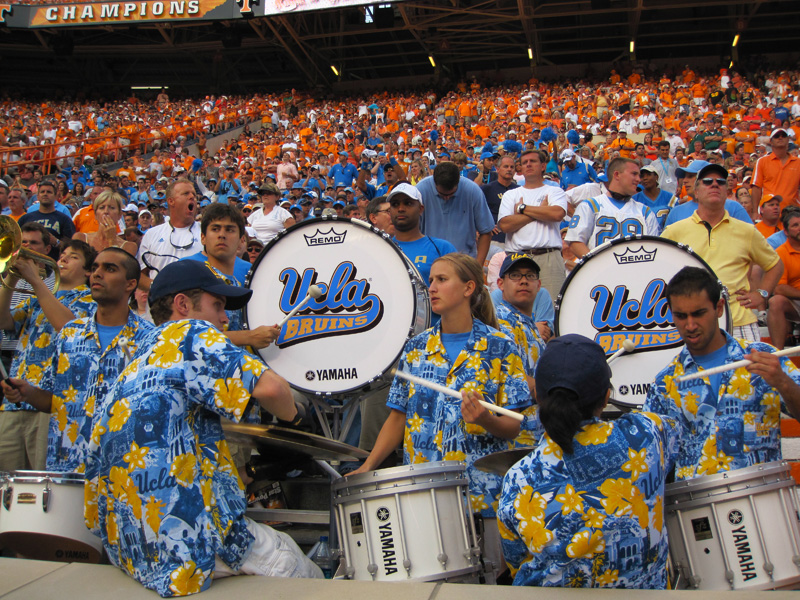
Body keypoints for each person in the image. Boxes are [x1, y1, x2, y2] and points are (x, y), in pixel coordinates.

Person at [84, 260, 322, 596]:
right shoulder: (189, 333)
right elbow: (272, 389)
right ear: (182, 305)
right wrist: (296, 419)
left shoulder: (135, 362)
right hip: (193, 540)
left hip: (133, 548)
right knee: (299, 568)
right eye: (218, 305)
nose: (225, 319)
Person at [350, 254, 532, 524]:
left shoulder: (501, 346)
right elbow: (398, 417)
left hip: (481, 499)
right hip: (423, 493)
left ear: (468, 288)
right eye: (431, 280)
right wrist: (368, 466)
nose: (431, 288)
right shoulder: (415, 348)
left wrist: (485, 419)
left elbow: (514, 425)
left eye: (442, 280)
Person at [499, 334, 679, 588]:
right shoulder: (647, 434)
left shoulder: (518, 478)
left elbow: (517, 563)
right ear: (606, 397)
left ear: (538, 396)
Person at [1, 248, 152, 472]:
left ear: (131, 284)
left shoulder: (148, 338)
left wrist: (35, 280)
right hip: (65, 458)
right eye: (95, 268)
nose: (98, 274)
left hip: (121, 462)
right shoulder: (71, 335)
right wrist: (29, 393)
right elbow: (55, 399)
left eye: (109, 269)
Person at [643, 267, 800, 481]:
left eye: (698, 313)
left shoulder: (765, 356)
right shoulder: (664, 383)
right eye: (681, 316)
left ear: (719, 308)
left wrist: (783, 382)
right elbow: (653, 461)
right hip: (697, 506)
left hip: (765, 499)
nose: (690, 325)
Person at [0, 237, 96, 472]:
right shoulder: (36, 299)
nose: (63, 258)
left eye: (73, 257)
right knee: (7, 487)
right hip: (13, 402)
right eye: (63, 254)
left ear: (87, 272)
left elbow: (69, 329)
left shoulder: (90, 301)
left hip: (49, 403)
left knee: (42, 483)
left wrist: (35, 280)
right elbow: (3, 320)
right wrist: (12, 275)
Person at [661, 162, 782, 341]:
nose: (715, 184)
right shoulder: (674, 231)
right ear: (696, 191)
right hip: (693, 324)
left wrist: (762, 294)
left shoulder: (746, 231)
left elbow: (775, 265)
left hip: (740, 321)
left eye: (721, 182)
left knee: (749, 370)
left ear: (727, 192)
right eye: (707, 181)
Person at [498, 149, 568, 299]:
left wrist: (523, 209)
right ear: (521, 168)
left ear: (543, 166)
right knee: (516, 312)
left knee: (551, 311)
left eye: (533, 161)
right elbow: (505, 225)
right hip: (517, 257)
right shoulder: (511, 194)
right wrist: (542, 211)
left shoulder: (554, 191)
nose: (528, 165)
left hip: (548, 257)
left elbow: (557, 214)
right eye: (524, 163)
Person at [565, 158, 659, 258]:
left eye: (638, 175)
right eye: (634, 174)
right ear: (617, 175)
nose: (638, 179)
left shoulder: (645, 212)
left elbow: (654, 249)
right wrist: (601, 268)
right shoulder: (589, 206)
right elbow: (575, 242)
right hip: (601, 271)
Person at [416, 162, 495, 265]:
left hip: (463, 263)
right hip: (429, 262)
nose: (447, 197)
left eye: (451, 194)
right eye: (442, 194)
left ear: (458, 182)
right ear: (434, 182)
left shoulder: (472, 190)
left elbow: (486, 232)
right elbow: (411, 233)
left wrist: (478, 267)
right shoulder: (420, 191)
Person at [493, 252, 545, 401]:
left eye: (530, 275)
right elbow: (512, 375)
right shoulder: (501, 321)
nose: (523, 281)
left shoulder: (527, 322)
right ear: (500, 283)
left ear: (538, 284)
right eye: (515, 275)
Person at [387, 182, 457, 288]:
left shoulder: (442, 248)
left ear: (420, 209)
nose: (400, 209)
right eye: (395, 204)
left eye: (408, 203)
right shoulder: (382, 249)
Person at [137, 179, 203, 290]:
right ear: (171, 201)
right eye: (186, 193)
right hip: (161, 305)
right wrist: (160, 289)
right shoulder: (152, 234)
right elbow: (140, 274)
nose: (192, 197)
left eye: (194, 194)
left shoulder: (206, 233)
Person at [768, 208, 800, 349]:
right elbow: (779, 288)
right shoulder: (780, 252)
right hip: (795, 301)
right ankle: (778, 354)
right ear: (785, 232)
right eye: (795, 225)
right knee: (776, 302)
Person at [74, 190, 138, 255]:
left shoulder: (129, 246)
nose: (106, 211)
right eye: (102, 207)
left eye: (112, 208)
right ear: (96, 214)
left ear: (119, 215)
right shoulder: (81, 238)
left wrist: (112, 241)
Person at [751, 128, 800, 212]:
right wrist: (755, 211)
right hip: (769, 212)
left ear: (788, 139)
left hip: (793, 212)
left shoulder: (798, 162)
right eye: (776, 136)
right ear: (771, 141)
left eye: (783, 136)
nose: (780, 138)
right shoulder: (762, 161)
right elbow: (756, 188)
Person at [481, 154, 518, 256]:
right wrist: (487, 226)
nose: (509, 169)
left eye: (512, 167)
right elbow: (476, 211)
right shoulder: (487, 189)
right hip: (494, 240)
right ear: (497, 169)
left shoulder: (519, 190)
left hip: (515, 240)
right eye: (506, 166)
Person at [631, 164, 677, 231]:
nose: (645, 178)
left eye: (648, 175)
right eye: (642, 176)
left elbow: (676, 220)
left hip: (665, 238)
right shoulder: (635, 199)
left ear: (656, 177)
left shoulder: (669, 198)